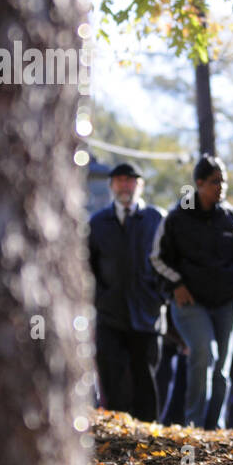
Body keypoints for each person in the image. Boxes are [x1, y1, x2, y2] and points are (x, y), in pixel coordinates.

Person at [150, 154, 233, 428]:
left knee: (221, 367)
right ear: (198, 183)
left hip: (227, 302)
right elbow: (157, 258)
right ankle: (193, 423)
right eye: (214, 182)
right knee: (203, 352)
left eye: (223, 181)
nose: (220, 187)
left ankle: (214, 426)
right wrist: (176, 284)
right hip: (190, 302)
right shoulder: (177, 217)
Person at [88, 162, 167, 421]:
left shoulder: (157, 219)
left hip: (147, 314)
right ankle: (116, 437)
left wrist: (159, 297)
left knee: (146, 378)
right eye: (120, 180)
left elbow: (168, 264)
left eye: (131, 180)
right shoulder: (98, 223)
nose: (125, 185)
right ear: (111, 186)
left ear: (140, 185)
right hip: (110, 315)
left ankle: (148, 438)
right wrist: (99, 299)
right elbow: (88, 266)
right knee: (113, 377)